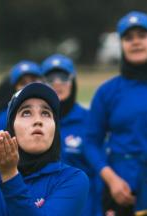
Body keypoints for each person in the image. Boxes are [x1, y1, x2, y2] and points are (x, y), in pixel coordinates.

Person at [84, 11, 147, 216]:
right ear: (121, 45)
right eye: (128, 38)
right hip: (122, 190)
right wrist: (111, 180)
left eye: (142, 35)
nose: (136, 42)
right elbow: (90, 142)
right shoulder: (107, 92)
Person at [0, 82, 89, 216]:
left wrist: (10, 174)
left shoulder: (72, 179)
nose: (38, 120)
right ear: (11, 128)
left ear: (56, 128)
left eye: (46, 113)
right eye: (26, 113)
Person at [41, 54, 102, 216]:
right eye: (51, 78)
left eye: (63, 77)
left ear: (73, 81)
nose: (57, 83)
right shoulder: (33, 124)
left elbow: (99, 174)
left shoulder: (89, 120)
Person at [0, 60, 43, 139]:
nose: (28, 86)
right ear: (14, 88)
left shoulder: (53, 110)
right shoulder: (4, 117)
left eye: (33, 81)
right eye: (23, 83)